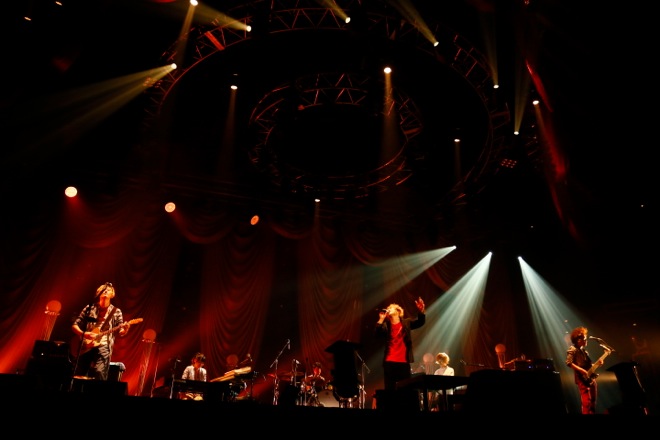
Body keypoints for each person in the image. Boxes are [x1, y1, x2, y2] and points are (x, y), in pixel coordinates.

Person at [71, 282, 131, 380]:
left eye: (109, 290)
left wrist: (125, 329)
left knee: (99, 373)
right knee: (79, 374)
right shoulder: (90, 308)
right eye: (104, 289)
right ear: (98, 293)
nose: (106, 291)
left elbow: (121, 331)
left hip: (104, 345)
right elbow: (74, 325)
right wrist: (84, 334)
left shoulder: (116, 311)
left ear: (112, 294)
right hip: (86, 344)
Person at [374, 297, 426, 391]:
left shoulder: (407, 323)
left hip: (404, 362)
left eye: (391, 308)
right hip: (389, 362)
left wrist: (421, 311)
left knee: (405, 389)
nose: (388, 309)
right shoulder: (386, 326)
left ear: (398, 311)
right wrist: (381, 319)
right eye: (388, 308)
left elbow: (420, 322)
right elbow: (377, 334)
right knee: (390, 389)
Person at [566, 326, 604, 414]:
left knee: (593, 400)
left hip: (590, 377)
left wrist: (598, 364)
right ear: (579, 340)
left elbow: (589, 366)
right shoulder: (573, 349)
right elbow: (568, 362)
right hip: (582, 379)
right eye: (584, 339)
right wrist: (581, 370)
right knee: (587, 401)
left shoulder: (584, 351)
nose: (586, 341)